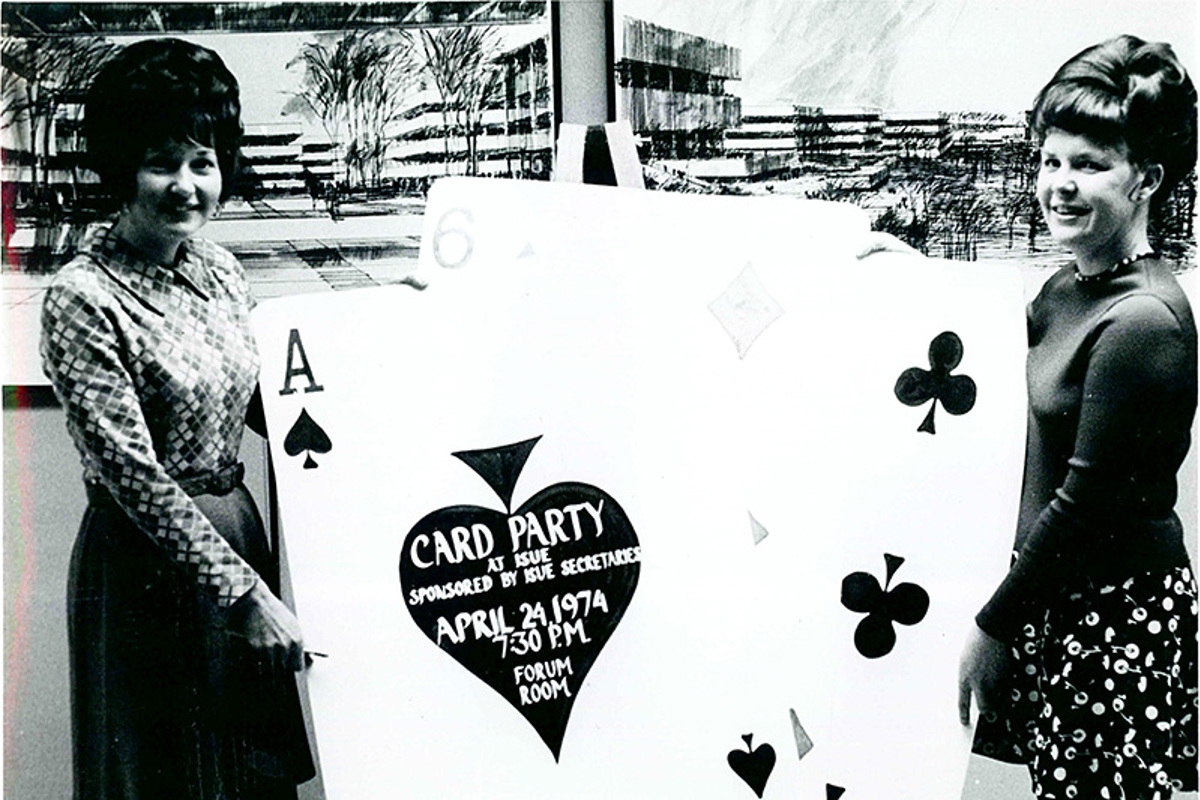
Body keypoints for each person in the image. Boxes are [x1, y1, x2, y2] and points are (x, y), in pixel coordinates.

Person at [40, 39, 315, 798]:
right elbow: (133, 476)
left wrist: (380, 349)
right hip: (144, 570)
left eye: (204, 160)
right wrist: (245, 594)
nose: (187, 185)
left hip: (237, 535)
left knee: (245, 777)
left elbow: (270, 405)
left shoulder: (221, 271)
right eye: (164, 161)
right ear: (123, 165)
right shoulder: (82, 297)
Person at [958, 35, 1198, 799]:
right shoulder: (1069, 288)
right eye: (1049, 161)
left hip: (1113, 622)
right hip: (1062, 606)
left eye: (1089, 165)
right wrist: (894, 274)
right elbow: (989, 363)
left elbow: (1084, 504)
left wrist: (993, 625)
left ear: (1147, 179)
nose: (1057, 185)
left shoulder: (1143, 321)